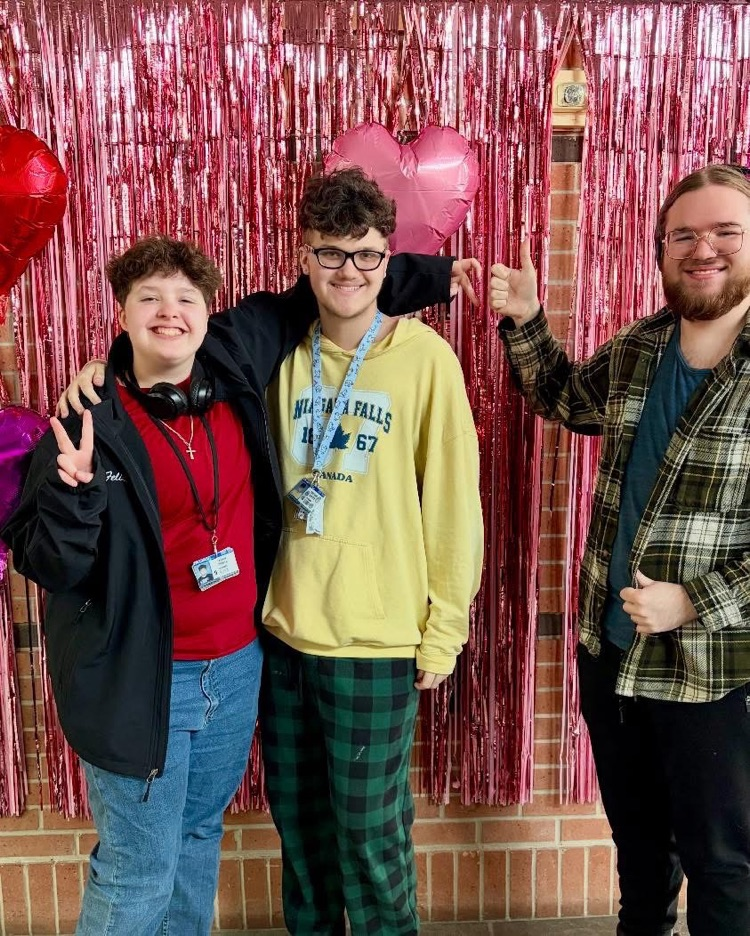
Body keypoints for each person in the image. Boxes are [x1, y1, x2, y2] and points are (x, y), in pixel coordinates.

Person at [4, 226, 473, 934]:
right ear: (121, 314)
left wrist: (437, 275)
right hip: (145, 681)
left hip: (237, 666)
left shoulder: (231, 357)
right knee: (138, 870)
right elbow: (45, 563)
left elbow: (334, 281)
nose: (170, 312)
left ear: (208, 311)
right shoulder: (87, 419)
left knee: (196, 843)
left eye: (185, 297)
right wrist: (74, 496)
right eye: (148, 298)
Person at [491, 163, 750, 936]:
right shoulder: (643, 345)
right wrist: (528, 319)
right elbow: (566, 399)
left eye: (726, 232)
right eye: (684, 235)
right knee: (638, 852)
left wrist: (691, 601)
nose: (702, 248)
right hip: (611, 654)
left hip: (712, 671)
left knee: (722, 864)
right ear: (663, 249)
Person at [260, 169, 484, 934]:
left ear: (388, 261)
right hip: (284, 637)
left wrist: (444, 627)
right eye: (331, 254)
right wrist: (105, 367)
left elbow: (454, 504)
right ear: (304, 256)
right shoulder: (277, 358)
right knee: (303, 839)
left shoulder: (426, 362)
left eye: (365, 255)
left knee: (370, 842)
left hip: (377, 641)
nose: (348, 271)